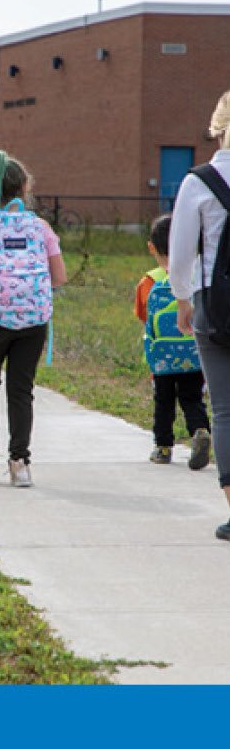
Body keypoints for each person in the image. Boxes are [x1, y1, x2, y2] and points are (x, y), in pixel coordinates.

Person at [0, 150, 65, 488]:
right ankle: (20, 464)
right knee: (21, 389)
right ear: (24, 187)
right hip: (33, 319)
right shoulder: (41, 227)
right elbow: (58, 276)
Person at [168, 87, 230, 539]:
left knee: (225, 410)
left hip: (218, 308)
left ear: (218, 127)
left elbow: (181, 252)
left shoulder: (199, 181)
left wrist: (183, 299)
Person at [137, 214, 210, 467]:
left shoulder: (149, 281)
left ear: (152, 247)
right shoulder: (196, 277)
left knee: (163, 400)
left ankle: (164, 447)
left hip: (163, 358)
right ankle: (200, 430)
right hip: (194, 352)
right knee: (192, 397)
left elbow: (143, 317)